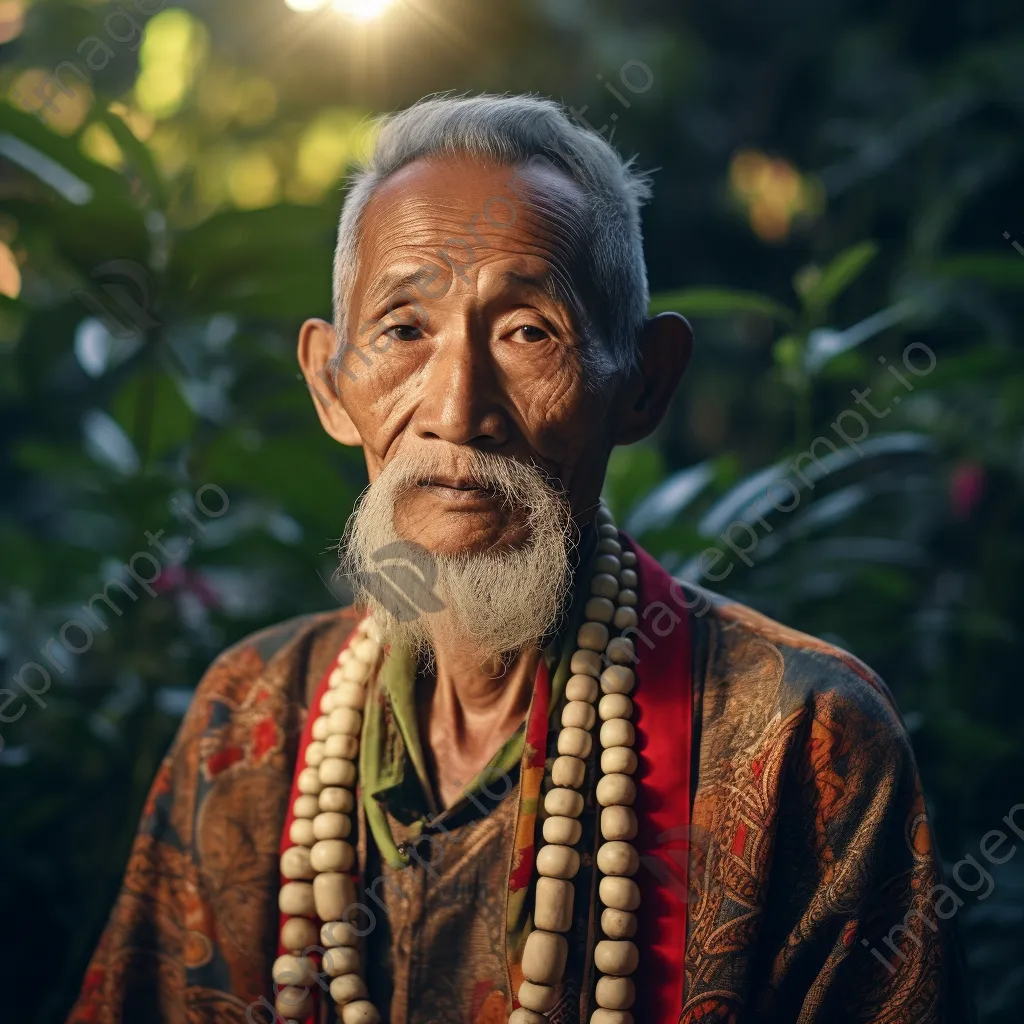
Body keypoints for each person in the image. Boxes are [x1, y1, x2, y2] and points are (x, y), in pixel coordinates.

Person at [69, 94, 970, 1024]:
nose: (457, 411)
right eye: (404, 329)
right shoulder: (249, 713)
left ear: (645, 383)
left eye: (529, 332)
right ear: (331, 385)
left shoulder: (806, 741)